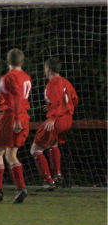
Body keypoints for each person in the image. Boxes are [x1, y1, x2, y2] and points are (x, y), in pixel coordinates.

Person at [0, 48, 31, 204]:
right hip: (23, 116)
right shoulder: (26, 77)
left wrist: (14, 117)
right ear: (22, 61)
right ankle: (20, 188)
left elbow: (17, 97)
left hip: (13, 117)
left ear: (8, 61)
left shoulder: (9, 77)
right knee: (11, 154)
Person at [30, 57, 79, 191]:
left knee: (35, 149)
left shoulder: (53, 83)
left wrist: (52, 117)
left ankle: (48, 181)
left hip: (56, 120)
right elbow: (74, 99)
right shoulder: (66, 82)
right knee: (53, 144)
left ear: (48, 69)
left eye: (45, 68)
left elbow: (57, 101)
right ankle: (57, 175)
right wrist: (54, 107)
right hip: (67, 119)